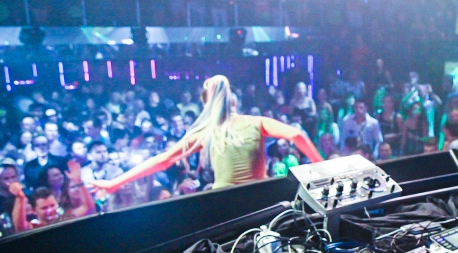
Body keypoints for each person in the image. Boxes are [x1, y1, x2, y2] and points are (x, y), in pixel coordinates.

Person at [91, 75, 323, 195]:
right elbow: (297, 135)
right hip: (259, 199)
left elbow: (163, 160)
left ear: (206, 106)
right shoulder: (257, 122)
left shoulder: (206, 132)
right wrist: (322, 165)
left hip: (222, 204)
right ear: (234, 101)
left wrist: (114, 183)